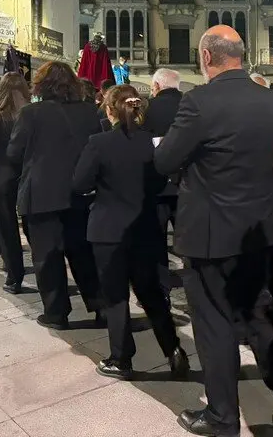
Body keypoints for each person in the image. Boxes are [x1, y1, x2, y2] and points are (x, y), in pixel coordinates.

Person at [154, 25, 273, 435]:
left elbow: (165, 161)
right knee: (259, 314)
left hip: (209, 233)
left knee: (214, 324)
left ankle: (223, 416)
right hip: (257, 228)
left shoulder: (198, 102)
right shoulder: (271, 100)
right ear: (241, 54)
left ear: (206, 57)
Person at [74, 84, 189, 380]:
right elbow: (161, 180)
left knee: (115, 296)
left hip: (108, 229)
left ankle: (121, 357)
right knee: (151, 293)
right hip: (145, 227)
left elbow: (79, 183)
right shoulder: (152, 143)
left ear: (109, 109)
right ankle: (173, 350)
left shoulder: (98, 143)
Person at [8, 61, 103, 330]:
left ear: (41, 84)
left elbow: (15, 152)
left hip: (41, 194)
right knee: (84, 253)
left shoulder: (31, 113)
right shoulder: (89, 112)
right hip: (79, 193)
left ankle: (56, 312)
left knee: (47, 257)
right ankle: (101, 307)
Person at [0, 73, 31, 293]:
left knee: (7, 230)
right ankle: (47, 274)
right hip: (28, 175)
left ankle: (14, 277)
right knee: (34, 230)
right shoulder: (30, 113)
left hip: (2, 176)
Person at [142, 67, 183, 303]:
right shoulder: (191, 107)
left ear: (156, 86)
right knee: (188, 238)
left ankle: (161, 289)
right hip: (186, 186)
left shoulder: (148, 109)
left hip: (156, 186)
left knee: (156, 241)